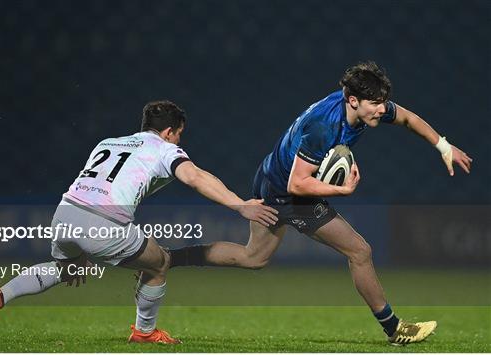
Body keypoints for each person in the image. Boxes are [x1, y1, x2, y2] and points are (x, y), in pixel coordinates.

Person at [169, 62, 473, 345]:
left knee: (253, 257)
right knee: (359, 250)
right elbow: (297, 184)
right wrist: (343, 191)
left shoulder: (362, 106)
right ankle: (394, 329)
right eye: (376, 104)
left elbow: (407, 117)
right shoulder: (323, 128)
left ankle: (169, 259)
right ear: (353, 101)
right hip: (287, 193)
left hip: (270, 175)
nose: (383, 110)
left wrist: (443, 146)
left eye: (383, 102)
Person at [0, 100, 278, 344]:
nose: (179, 139)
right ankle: (145, 332)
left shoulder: (109, 143)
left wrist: (82, 248)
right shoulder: (163, 150)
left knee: (65, 269)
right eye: (179, 134)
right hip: (103, 221)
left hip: (65, 214)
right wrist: (240, 205)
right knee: (158, 264)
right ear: (170, 131)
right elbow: (195, 177)